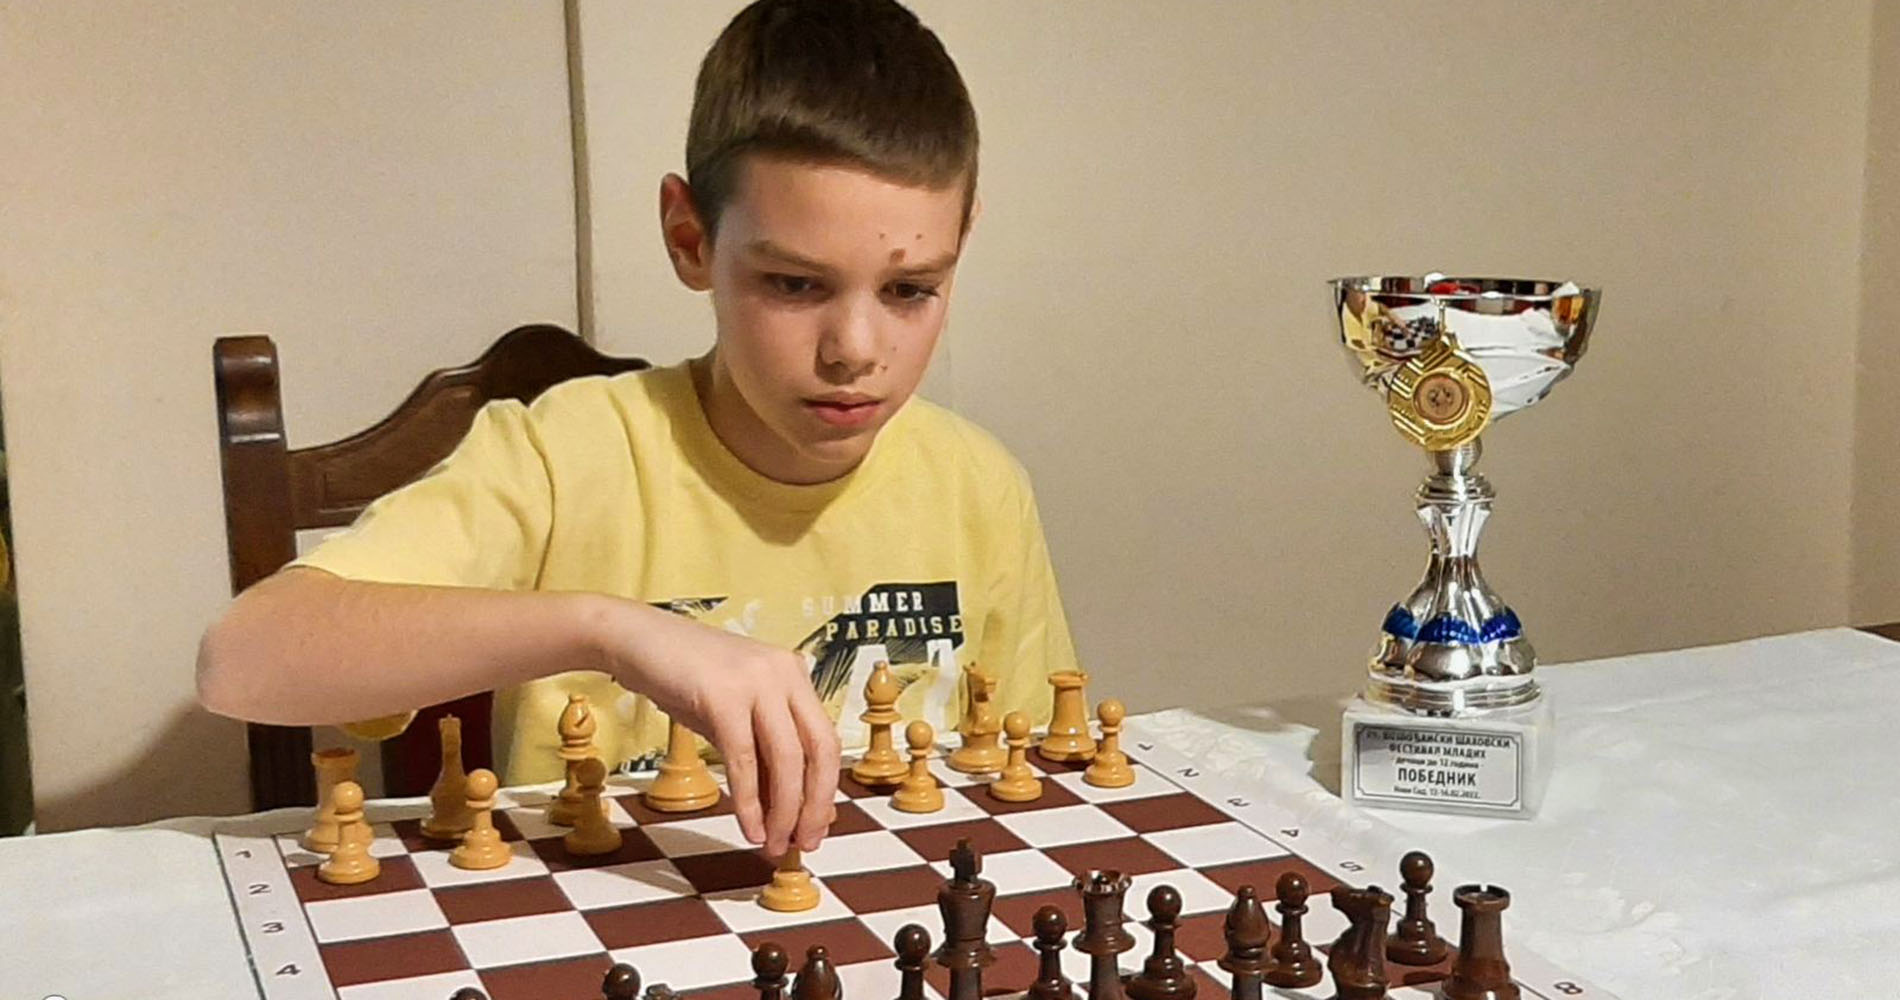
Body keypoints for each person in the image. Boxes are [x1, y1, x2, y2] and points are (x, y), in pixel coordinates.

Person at [197, 0, 1079, 861]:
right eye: (793, 284)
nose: (854, 350)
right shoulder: (560, 456)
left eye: (911, 290)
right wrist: (609, 631)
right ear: (689, 238)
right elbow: (241, 660)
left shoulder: (977, 484)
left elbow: (1036, 777)